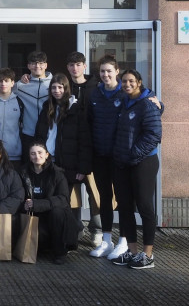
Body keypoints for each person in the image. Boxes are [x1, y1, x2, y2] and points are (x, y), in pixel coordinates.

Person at [110, 69, 162, 269]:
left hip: (143, 162)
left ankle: (148, 255)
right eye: (124, 81)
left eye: (131, 81)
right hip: (122, 162)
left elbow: (153, 134)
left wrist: (134, 154)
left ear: (139, 82)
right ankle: (132, 252)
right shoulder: (122, 102)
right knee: (124, 206)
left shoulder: (148, 103)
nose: (127, 84)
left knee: (144, 206)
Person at [34, 73, 91, 236]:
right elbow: (40, 133)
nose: (57, 90)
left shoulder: (76, 108)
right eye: (53, 87)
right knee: (50, 197)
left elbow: (84, 140)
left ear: (66, 88)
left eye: (60, 87)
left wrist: (82, 168)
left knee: (67, 201)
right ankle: (54, 234)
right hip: (48, 161)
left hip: (68, 164)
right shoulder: (47, 107)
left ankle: (72, 232)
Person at [87, 56, 128, 259]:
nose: (105, 74)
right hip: (100, 155)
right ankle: (106, 240)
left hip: (119, 156)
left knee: (122, 198)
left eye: (109, 71)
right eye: (102, 71)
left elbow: (147, 102)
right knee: (104, 199)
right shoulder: (95, 94)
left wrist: (158, 104)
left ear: (117, 71)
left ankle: (124, 241)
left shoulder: (125, 92)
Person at [65, 51, 103, 246]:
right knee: (72, 194)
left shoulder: (96, 87)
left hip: (93, 147)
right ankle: (75, 228)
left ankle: (97, 230)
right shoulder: (64, 87)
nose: (75, 68)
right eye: (71, 65)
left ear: (84, 66)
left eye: (78, 64)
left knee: (94, 192)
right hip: (70, 148)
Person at [19, 142, 79, 264]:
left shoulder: (58, 173)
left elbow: (63, 199)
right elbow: (17, 195)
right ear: (29, 157)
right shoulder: (22, 173)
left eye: (40, 153)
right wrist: (23, 204)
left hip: (53, 216)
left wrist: (37, 204)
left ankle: (60, 253)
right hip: (33, 216)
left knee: (57, 212)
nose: (37, 156)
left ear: (47, 154)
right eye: (33, 153)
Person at [15, 51, 53, 159]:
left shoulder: (55, 85)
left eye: (41, 63)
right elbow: (3, 92)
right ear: (28, 66)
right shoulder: (20, 86)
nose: (37, 66)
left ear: (46, 65)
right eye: (34, 63)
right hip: (28, 134)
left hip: (49, 134)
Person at [0, 68, 24, 170]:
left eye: (6, 81)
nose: (3, 84)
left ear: (12, 83)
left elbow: (22, 125)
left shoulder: (19, 102)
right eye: (0, 81)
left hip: (14, 153)